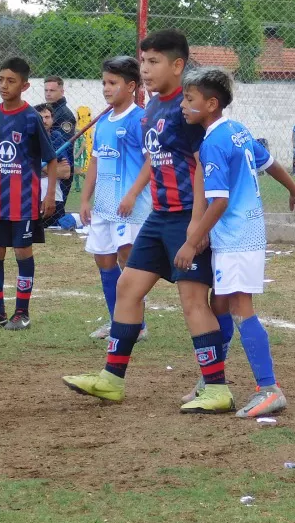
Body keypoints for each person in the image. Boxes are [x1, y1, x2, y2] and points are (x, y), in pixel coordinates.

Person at [61, 30, 232, 412]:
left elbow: (205, 168)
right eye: (143, 61)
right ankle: (111, 379)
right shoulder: (151, 110)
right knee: (128, 288)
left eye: (154, 62)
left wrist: (196, 227)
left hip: (188, 218)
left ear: (178, 65)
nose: (146, 69)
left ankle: (217, 388)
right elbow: (155, 163)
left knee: (192, 301)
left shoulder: (190, 112)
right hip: (159, 216)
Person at [167, 68, 295, 418]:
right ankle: (213, 380)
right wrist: (294, 190)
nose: (183, 105)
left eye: (190, 99)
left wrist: (192, 240)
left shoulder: (213, 142)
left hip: (236, 238)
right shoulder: (237, 130)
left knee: (242, 308)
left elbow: (219, 202)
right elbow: (270, 162)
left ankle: (269, 388)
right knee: (221, 304)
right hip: (242, 234)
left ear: (211, 104)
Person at [0, 57, 58, 332]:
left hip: (23, 200)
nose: (4, 85)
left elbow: (51, 160)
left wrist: (49, 196)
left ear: (25, 85)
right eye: (0, 80)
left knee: (22, 251)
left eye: (10, 81)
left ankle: (22, 312)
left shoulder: (31, 117)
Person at [80, 56, 152, 341]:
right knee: (104, 261)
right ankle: (116, 322)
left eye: (113, 83)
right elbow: (95, 162)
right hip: (104, 206)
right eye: (104, 83)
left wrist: (133, 194)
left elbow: (151, 163)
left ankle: (137, 325)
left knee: (127, 261)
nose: (106, 89)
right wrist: (85, 199)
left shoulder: (140, 119)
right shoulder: (104, 122)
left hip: (129, 208)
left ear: (131, 86)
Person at [34, 103, 73, 227]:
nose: (44, 121)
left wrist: (36, 165)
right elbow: (22, 169)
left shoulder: (56, 137)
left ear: (52, 119)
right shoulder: (27, 137)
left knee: (54, 230)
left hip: (53, 196)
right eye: (41, 117)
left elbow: (66, 172)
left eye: (47, 117)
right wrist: (52, 166)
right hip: (30, 195)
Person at [42, 75, 78, 209]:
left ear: (62, 91)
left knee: (55, 207)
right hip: (49, 165)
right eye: (46, 90)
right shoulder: (49, 111)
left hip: (61, 165)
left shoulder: (64, 114)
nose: (48, 94)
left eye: (52, 90)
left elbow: (65, 145)